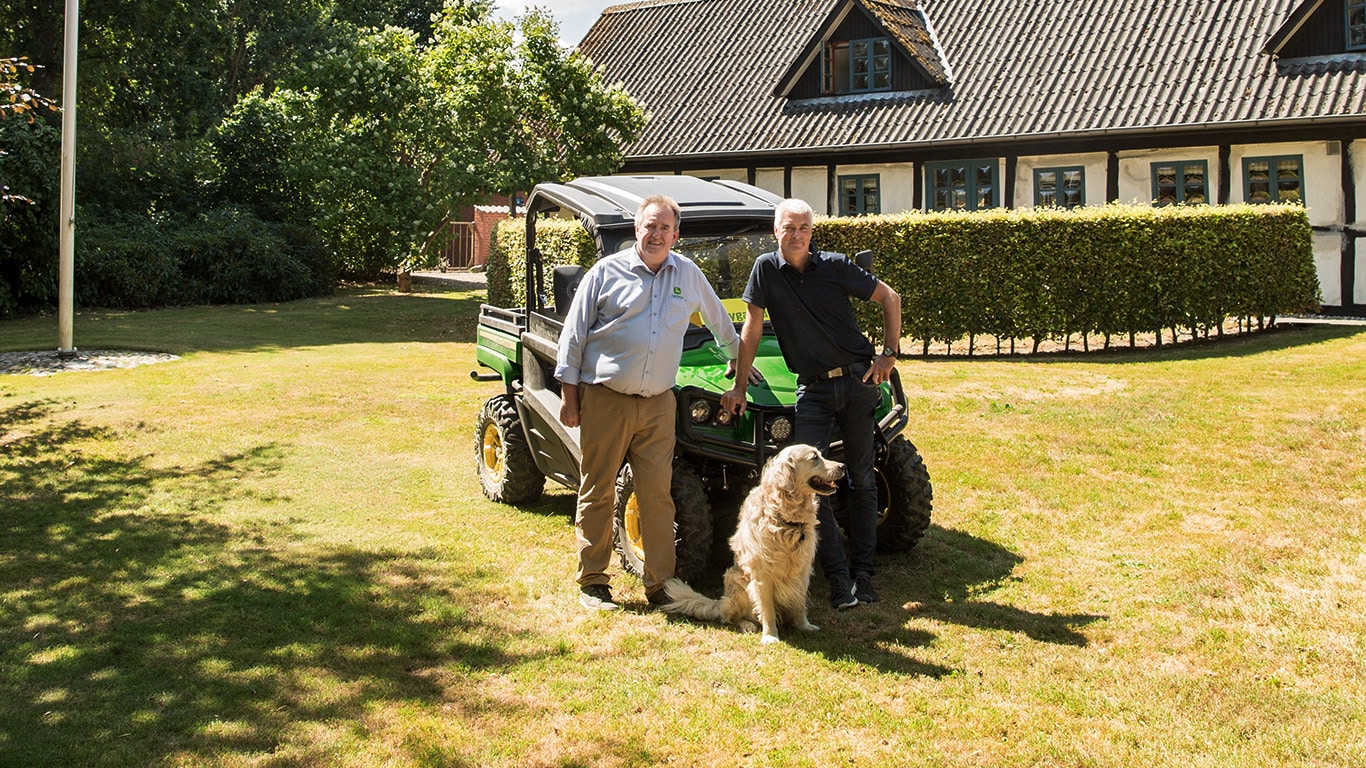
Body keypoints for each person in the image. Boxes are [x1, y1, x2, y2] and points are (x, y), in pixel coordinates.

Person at [556, 195, 745, 611]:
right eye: (650, 225)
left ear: (676, 235)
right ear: (636, 229)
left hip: (660, 403)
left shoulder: (689, 274)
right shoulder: (606, 273)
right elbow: (573, 338)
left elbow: (720, 322)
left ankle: (661, 586)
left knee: (658, 496)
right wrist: (570, 398)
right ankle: (593, 581)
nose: (656, 233)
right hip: (606, 399)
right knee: (598, 489)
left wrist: (740, 363)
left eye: (665, 228)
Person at [720, 198, 902, 610]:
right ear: (776, 231)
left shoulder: (836, 266)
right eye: (789, 227)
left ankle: (863, 576)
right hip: (813, 391)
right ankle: (838, 580)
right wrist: (741, 385)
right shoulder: (766, 269)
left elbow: (890, 297)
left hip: (857, 381)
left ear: (812, 231)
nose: (796, 234)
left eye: (803, 227)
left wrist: (889, 353)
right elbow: (750, 327)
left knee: (862, 478)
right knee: (810, 482)